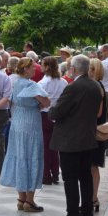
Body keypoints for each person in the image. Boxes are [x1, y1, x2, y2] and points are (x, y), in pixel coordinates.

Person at [51, 55, 103, 216]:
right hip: (87, 138)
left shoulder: (73, 87)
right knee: (85, 176)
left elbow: (57, 112)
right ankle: (87, 212)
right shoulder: (95, 85)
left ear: (73, 69)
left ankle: (72, 215)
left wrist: (51, 109)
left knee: (70, 178)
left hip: (70, 140)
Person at [0, 58, 50, 212]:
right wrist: (40, 103)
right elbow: (47, 102)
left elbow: (9, 100)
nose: (35, 70)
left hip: (17, 121)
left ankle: (21, 199)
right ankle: (30, 201)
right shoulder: (31, 85)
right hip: (30, 122)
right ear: (25, 69)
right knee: (32, 156)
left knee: (19, 156)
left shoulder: (13, 82)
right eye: (32, 68)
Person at [38, 56, 66, 185]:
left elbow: (38, 101)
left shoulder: (43, 83)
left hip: (45, 115)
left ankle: (46, 175)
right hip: (59, 116)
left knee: (45, 147)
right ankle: (55, 173)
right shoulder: (63, 82)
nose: (41, 66)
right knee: (55, 147)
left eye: (43, 64)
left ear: (48, 66)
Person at [88, 58, 107, 212]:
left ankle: (93, 198)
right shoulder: (97, 85)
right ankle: (92, 198)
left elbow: (98, 112)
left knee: (93, 166)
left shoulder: (96, 86)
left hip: (94, 131)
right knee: (92, 166)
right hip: (94, 130)